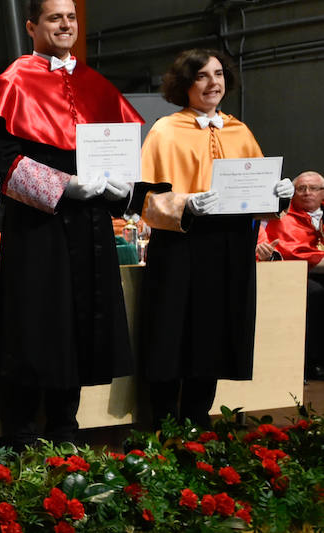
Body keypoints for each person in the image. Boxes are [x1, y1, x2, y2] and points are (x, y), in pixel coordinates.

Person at [0, 0, 147, 443]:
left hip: (89, 227)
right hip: (38, 225)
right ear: (32, 27)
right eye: (54, 18)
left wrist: (120, 188)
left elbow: (122, 155)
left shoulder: (96, 84)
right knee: (35, 323)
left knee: (80, 321)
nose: (65, 25)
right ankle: (20, 431)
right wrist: (62, 186)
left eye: (71, 17)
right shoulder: (12, 81)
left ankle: (66, 427)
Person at [138, 50, 292, 425]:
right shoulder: (165, 130)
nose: (213, 83)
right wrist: (186, 204)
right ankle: (160, 421)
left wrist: (278, 197)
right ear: (185, 83)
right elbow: (147, 195)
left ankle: (197, 418)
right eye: (203, 76)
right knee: (172, 331)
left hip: (229, 245)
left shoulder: (240, 130)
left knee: (213, 332)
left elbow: (257, 196)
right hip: (181, 243)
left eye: (219, 74)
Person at [258, 171, 324, 379]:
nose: (307, 193)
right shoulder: (280, 216)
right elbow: (287, 251)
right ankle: (312, 362)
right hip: (290, 273)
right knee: (315, 293)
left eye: (313, 188)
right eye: (301, 188)